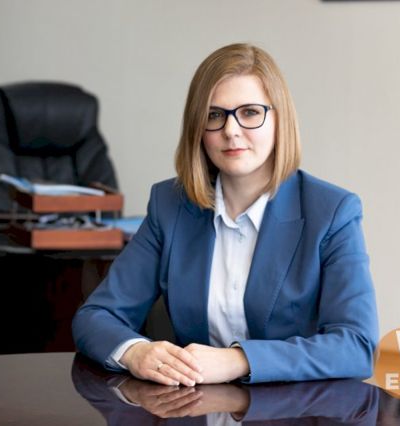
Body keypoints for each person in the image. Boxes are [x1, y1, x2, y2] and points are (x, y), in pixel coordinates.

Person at [72, 43, 378, 386]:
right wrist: (135, 351)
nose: (231, 130)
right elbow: (95, 316)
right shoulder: (170, 206)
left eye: (250, 112)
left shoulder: (332, 212)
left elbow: (356, 345)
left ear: (280, 120)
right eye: (214, 115)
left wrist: (238, 360)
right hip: (194, 403)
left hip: (296, 405)